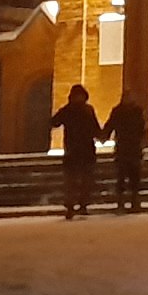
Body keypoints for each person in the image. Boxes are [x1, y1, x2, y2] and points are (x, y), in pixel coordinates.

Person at [51, 83, 104, 220]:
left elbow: (94, 126)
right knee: (74, 180)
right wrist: (101, 136)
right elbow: (54, 122)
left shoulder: (82, 110)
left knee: (82, 180)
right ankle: (72, 206)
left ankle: (81, 205)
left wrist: (101, 135)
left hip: (81, 149)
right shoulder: (72, 110)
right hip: (76, 150)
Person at [102, 93, 148, 213]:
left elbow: (142, 126)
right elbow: (111, 124)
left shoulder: (136, 111)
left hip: (132, 147)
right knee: (122, 177)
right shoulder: (120, 111)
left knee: (134, 177)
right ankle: (122, 202)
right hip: (124, 147)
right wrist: (104, 135)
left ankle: (133, 201)